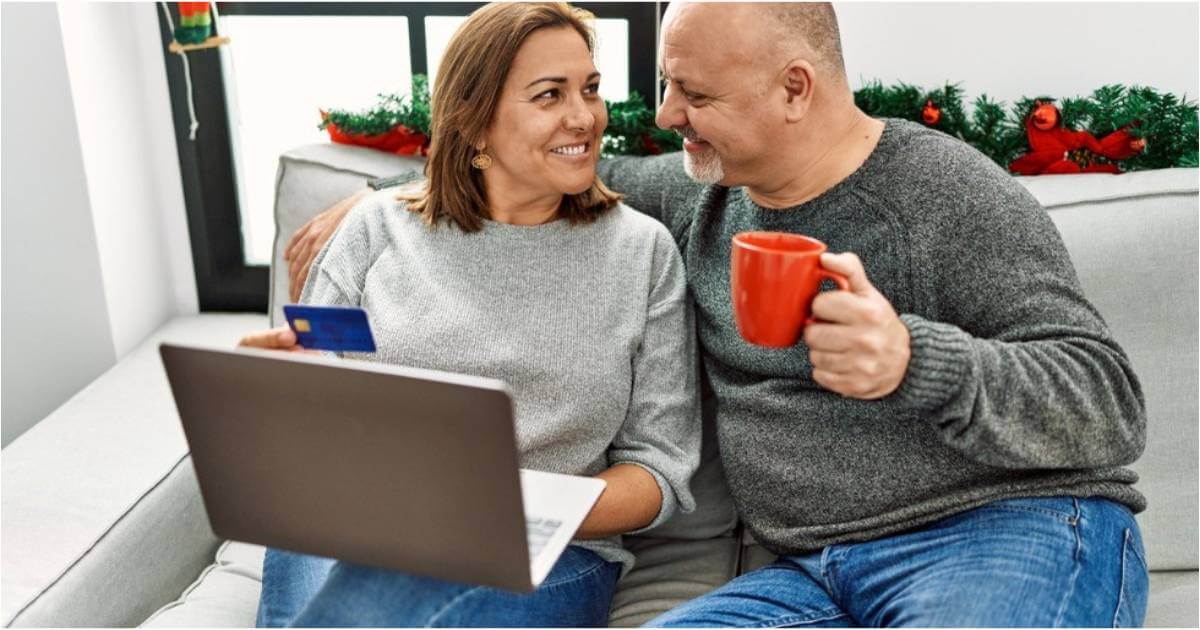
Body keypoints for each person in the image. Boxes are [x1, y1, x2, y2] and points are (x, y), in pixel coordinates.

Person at [289, 2, 1149, 626]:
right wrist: (385, 195)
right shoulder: (697, 192)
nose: (665, 117)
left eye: (692, 95)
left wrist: (910, 360)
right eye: (667, 86)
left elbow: (1108, 404)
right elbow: (533, 160)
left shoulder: (948, 194)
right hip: (808, 573)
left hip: (998, 533)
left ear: (793, 89)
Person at [240, 3, 700, 626]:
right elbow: (311, 408)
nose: (585, 116)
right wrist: (268, 389)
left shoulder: (641, 252)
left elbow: (659, 472)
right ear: (477, 125)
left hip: (546, 554)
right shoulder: (377, 229)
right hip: (358, 522)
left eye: (590, 89)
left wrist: (511, 505)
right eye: (549, 95)